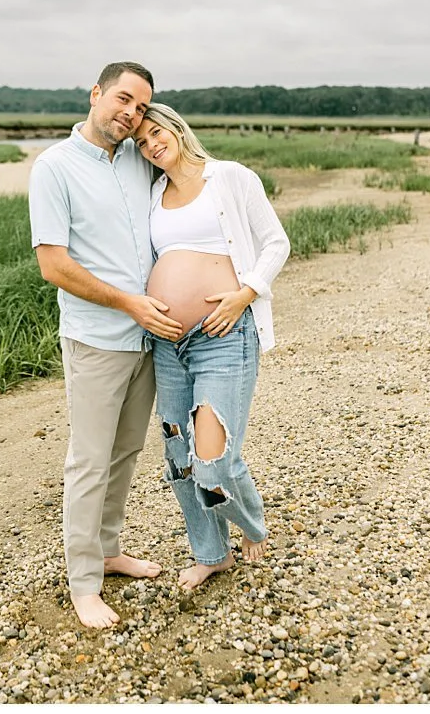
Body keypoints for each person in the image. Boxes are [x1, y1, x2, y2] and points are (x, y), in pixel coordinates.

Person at [29, 61, 180, 629]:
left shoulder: (138, 163)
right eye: (122, 99)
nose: (130, 113)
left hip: (147, 338)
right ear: (95, 94)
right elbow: (54, 265)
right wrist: (129, 303)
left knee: (125, 454)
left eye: (140, 107)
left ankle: (109, 551)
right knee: (89, 462)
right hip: (97, 340)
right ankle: (83, 583)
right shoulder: (55, 168)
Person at [135, 103, 290, 591]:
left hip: (223, 334)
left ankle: (253, 519)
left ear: (177, 129)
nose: (152, 145)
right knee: (179, 458)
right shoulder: (153, 194)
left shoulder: (230, 178)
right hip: (168, 344)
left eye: (157, 132)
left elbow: (275, 244)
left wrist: (245, 292)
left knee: (213, 458)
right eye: (141, 142)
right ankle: (211, 553)